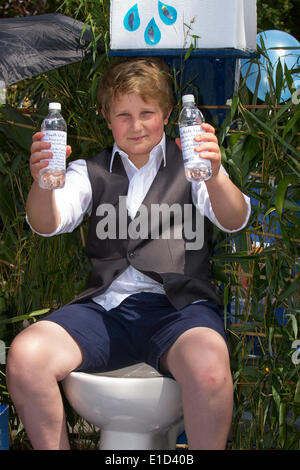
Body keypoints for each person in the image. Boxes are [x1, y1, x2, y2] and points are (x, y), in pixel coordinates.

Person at [6, 57, 251, 450]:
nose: (136, 126)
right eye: (123, 114)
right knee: (26, 356)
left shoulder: (194, 166)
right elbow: (46, 223)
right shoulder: (89, 171)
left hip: (179, 309)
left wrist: (217, 171)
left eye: (147, 113)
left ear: (168, 114)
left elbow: (234, 219)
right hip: (105, 311)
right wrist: (41, 183)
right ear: (107, 118)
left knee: (208, 368)